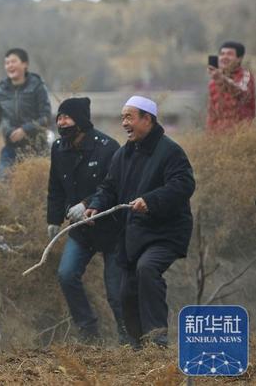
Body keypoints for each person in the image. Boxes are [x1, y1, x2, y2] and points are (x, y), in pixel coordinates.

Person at [84, 96, 195, 348]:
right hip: (134, 234)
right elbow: (109, 187)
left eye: (129, 117)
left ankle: (157, 341)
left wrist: (151, 201)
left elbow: (184, 185)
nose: (124, 123)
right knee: (126, 292)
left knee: (147, 269)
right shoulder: (123, 154)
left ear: (148, 119)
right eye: (122, 117)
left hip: (165, 233)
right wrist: (95, 205)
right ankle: (137, 347)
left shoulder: (171, 151)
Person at [46, 97, 127, 344]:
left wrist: (88, 204)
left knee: (115, 292)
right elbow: (55, 187)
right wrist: (53, 219)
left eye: (67, 117)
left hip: (112, 230)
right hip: (80, 231)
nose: (62, 122)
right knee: (67, 274)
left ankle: (129, 338)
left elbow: (115, 187)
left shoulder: (108, 147)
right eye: (59, 118)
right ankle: (89, 332)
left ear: (81, 120)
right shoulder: (58, 148)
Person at [0, 48, 52, 180]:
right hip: (11, 148)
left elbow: (46, 117)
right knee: (2, 183)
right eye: (7, 63)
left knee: (37, 185)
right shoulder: (1, 90)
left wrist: (25, 130)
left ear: (25, 64)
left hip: (37, 148)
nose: (9, 65)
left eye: (13, 61)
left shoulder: (37, 86)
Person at [206, 41, 255, 132]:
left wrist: (222, 79)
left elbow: (242, 93)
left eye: (229, 54)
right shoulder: (214, 81)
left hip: (240, 134)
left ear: (239, 59)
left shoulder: (246, 75)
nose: (224, 57)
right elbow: (211, 112)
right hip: (218, 135)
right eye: (222, 54)